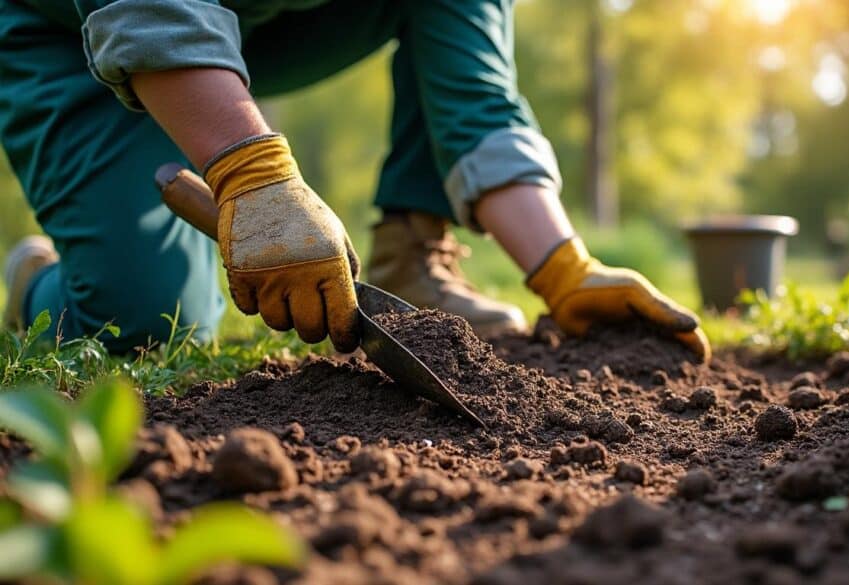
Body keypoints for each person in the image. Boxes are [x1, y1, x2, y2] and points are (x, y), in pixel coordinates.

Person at [0, 0, 710, 361]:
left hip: (254, 28)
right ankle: (34, 279)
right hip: (62, 27)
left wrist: (563, 268)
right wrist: (251, 170)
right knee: (147, 324)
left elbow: (477, 100)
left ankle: (412, 256)